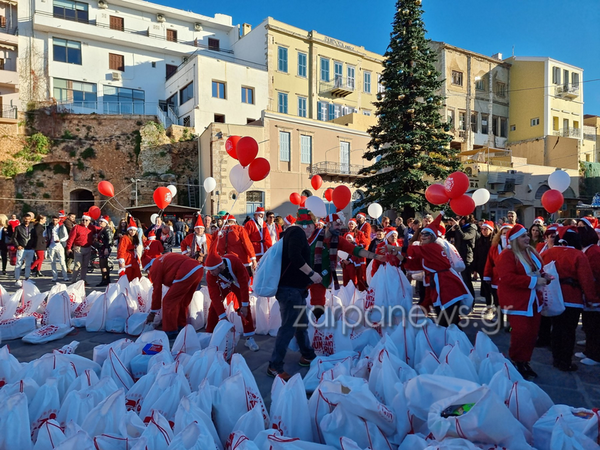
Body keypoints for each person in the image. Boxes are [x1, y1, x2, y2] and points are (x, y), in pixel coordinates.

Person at [268, 209, 322, 380]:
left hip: (294, 289)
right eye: (314, 225)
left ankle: (307, 354)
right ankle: (274, 366)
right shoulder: (297, 232)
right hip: (290, 289)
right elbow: (295, 257)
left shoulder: (292, 233)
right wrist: (312, 274)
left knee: (300, 323)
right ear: (309, 225)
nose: (314, 229)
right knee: (288, 327)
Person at [496, 224, 551, 380]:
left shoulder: (530, 252)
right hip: (517, 301)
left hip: (533, 300)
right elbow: (507, 278)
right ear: (514, 240)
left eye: (527, 235)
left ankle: (525, 361)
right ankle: (516, 361)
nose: (527, 238)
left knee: (532, 334)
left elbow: (538, 271)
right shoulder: (507, 255)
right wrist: (534, 281)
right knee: (521, 333)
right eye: (523, 236)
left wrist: (545, 276)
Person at [541, 226, 598, 372]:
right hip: (572, 298)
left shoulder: (547, 253)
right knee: (569, 331)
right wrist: (592, 299)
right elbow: (586, 280)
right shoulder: (579, 255)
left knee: (556, 328)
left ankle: (556, 358)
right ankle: (565, 361)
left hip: (553, 296)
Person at [403, 214, 473, 327]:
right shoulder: (427, 249)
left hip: (447, 286)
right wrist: (400, 258)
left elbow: (415, 251)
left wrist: (397, 248)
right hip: (436, 285)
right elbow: (416, 265)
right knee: (445, 321)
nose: (423, 236)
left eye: (426, 234)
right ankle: (453, 341)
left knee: (448, 322)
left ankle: (457, 342)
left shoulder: (434, 247)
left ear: (433, 236)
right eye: (421, 234)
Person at [204, 251, 259, 351]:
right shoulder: (210, 275)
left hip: (237, 282)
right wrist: (223, 316)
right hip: (222, 284)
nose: (210, 272)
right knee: (213, 307)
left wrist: (245, 305)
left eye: (212, 270)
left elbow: (243, 284)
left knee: (245, 308)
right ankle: (209, 335)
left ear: (220, 265)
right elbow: (214, 295)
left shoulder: (235, 262)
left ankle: (249, 337)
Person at [146, 253, 204, 338]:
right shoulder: (161, 259)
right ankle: (181, 326)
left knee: (168, 301)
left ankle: (170, 331)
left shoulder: (154, 268)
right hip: (198, 269)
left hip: (186, 271)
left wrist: (153, 312)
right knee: (182, 301)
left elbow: (157, 290)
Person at [577, 220, 600, 366]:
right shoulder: (588, 250)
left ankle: (595, 354)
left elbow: (595, 274)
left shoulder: (594, 252)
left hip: (595, 294)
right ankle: (588, 350)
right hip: (588, 294)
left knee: (595, 326)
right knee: (589, 324)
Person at [445, 215, 477, 297]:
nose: (456, 220)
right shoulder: (458, 228)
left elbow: (464, 236)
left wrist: (457, 227)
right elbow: (447, 235)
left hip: (466, 257)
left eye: (458, 218)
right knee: (458, 280)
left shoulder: (471, 228)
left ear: (463, 220)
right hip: (457, 256)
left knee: (466, 280)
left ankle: (471, 302)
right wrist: (451, 227)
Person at [473, 221, 495, 317]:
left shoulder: (494, 241)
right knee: (486, 289)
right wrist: (475, 270)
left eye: (486, 229)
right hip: (482, 268)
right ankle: (489, 307)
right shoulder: (479, 241)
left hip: (493, 269)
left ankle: (495, 308)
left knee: (493, 290)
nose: (483, 231)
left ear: (491, 230)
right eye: (482, 229)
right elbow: (476, 255)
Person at [13, 213, 36, 286]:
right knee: (18, 264)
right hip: (21, 248)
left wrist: (34, 246)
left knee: (28, 264)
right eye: (26, 219)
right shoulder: (18, 228)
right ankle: (17, 279)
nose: (27, 220)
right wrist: (17, 245)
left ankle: (27, 278)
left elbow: (35, 237)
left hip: (30, 248)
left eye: (28, 219)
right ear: (23, 219)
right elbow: (14, 238)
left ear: (30, 219)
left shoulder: (33, 227)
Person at [44, 215, 69, 282]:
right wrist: (46, 237)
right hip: (51, 246)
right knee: (53, 262)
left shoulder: (62, 227)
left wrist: (60, 240)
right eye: (53, 220)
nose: (54, 222)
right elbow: (44, 234)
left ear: (58, 220)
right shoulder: (49, 227)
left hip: (59, 245)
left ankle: (65, 276)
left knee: (62, 261)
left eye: (56, 220)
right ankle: (55, 276)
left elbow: (66, 236)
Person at [117, 217, 142, 282]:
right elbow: (121, 249)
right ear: (128, 230)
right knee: (127, 276)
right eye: (131, 230)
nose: (132, 232)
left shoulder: (135, 238)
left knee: (137, 275)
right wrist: (122, 261)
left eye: (134, 230)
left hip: (133, 258)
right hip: (127, 258)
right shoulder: (124, 238)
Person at [95, 216, 114, 286]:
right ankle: (106, 279)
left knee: (103, 264)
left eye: (101, 221)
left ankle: (105, 279)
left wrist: (106, 248)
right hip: (102, 248)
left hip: (104, 248)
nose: (100, 223)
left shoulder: (107, 230)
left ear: (105, 223)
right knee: (104, 264)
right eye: (99, 221)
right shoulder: (103, 229)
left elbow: (109, 240)